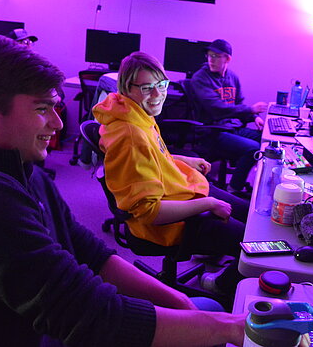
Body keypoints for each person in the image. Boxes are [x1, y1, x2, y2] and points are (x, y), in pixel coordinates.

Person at [0, 36, 246, 347]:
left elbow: (90, 253)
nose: (58, 124)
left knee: (204, 308)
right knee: (212, 317)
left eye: (55, 107)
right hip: (53, 336)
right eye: (42, 109)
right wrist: (226, 328)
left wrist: (178, 299)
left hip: (67, 327)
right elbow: (90, 316)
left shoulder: (27, 174)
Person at [93, 52, 248, 297]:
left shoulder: (131, 111)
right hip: (168, 224)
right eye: (147, 88)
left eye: (161, 84)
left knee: (250, 215)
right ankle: (221, 284)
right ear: (126, 88)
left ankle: (216, 252)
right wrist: (208, 203)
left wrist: (182, 160)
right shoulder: (131, 136)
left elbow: (150, 157)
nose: (157, 94)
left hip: (181, 189)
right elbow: (150, 213)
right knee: (252, 247)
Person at [189, 39, 267, 197]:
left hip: (232, 127)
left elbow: (238, 104)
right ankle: (233, 190)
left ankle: (254, 185)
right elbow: (216, 108)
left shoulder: (232, 77)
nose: (211, 59)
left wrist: (254, 117)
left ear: (228, 59)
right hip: (212, 131)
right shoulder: (200, 78)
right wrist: (250, 110)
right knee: (253, 148)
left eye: (216, 56)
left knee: (267, 141)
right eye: (209, 55)